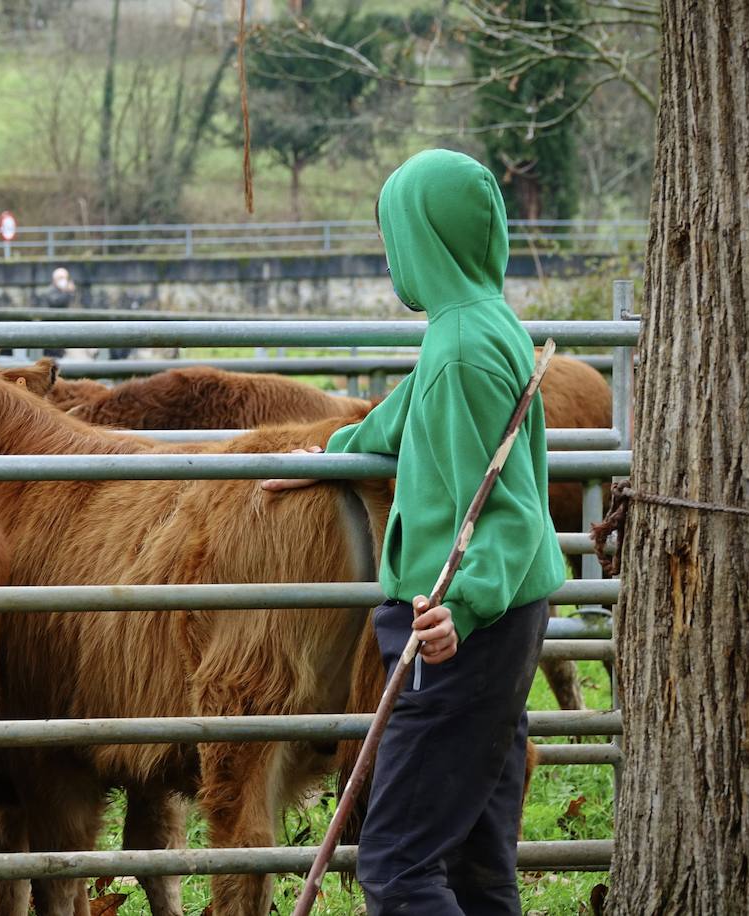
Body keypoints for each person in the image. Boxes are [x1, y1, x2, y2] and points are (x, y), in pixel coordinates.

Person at [262, 149, 566, 914]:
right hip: (497, 622)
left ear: (424, 239)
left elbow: (513, 508)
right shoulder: (478, 325)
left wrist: (457, 606)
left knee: (397, 865)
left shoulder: (462, 348)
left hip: (456, 630)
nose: (392, 254)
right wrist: (329, 455)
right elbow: (406, 414)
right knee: (475, 861)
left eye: (394, 233)